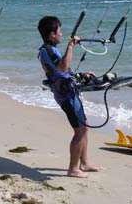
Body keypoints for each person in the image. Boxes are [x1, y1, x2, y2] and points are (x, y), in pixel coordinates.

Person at [37, 16, 101, 178]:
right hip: (66, 96)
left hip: (68, 92)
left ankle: (84, 163)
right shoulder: (47, 50)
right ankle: (73, 169)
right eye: (59, 30)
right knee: (79, 131)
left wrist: (81, 74)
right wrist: (71, 46)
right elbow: (62, 67)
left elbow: (63, 71)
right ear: (52, 34)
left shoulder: (50, 49)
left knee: (85, 125)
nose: (62, 33)